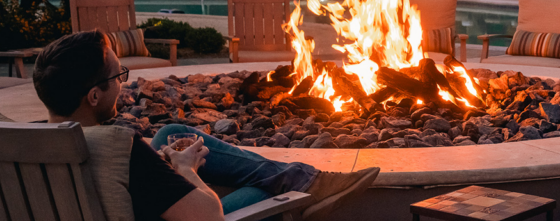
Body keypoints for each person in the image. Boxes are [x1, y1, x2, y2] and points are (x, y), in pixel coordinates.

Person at [32, 31, 380, 221]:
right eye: (119, 76)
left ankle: (303, 178)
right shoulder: (119, 150)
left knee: (169, 133)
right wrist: (186, 171)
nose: (124, 83)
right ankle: (305, 187)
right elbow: (208, 217)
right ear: (93, 96)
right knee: (267, 191)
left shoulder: (19, 148)